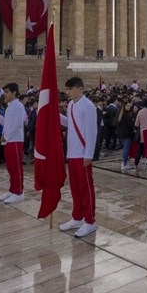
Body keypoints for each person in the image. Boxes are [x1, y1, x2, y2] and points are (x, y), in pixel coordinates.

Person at [58, 77, 98, 238]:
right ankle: (77, 216)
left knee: (85, 188)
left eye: (70, 88)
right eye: (66, 89)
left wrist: (88, 154)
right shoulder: (72, 105)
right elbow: (71, 124)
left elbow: (91, 130)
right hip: (72, 152)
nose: (68, 92)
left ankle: (90, 220)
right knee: (74, 187)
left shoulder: (88, 106)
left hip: (83, 153)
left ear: (80, 88)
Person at [0, 83, 26, 204]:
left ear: (14, 92)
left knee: (16, 167)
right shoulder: (9, 106)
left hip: (15, 140)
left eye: (7, 92)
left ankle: (19, 191)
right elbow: (7, 123)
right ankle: (12, 189)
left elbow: (18, 124)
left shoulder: (18, 106)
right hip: (8, 140)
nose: (5, 94)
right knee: (10, 167)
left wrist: (6, 136)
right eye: (4, 92)